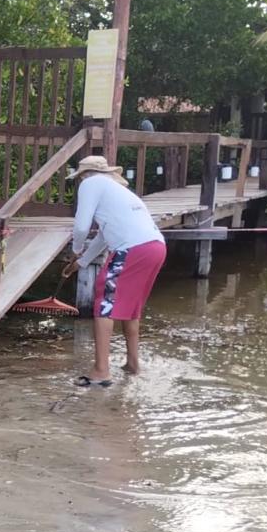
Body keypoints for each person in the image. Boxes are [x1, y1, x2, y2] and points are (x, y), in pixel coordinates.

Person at [61, 154, 167, 387]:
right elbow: (103, 236)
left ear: (85, 175)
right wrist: (81, 262)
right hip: (156, 247)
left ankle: (101, 370)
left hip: (132, 248)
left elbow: (81, 226)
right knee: (131, 306)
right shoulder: (117, 192)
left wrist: (76, 249)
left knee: (103, 300)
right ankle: (132, 364)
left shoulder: (91, 183)